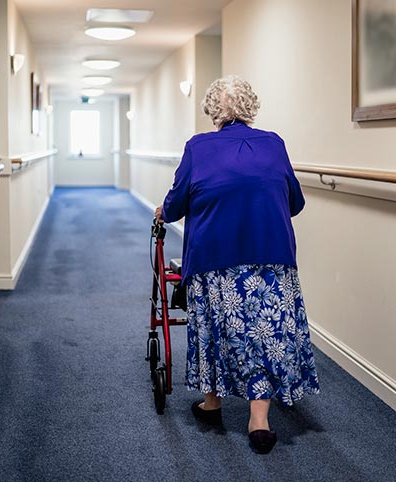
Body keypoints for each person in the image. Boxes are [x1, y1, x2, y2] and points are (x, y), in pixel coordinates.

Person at [155, 75, 319, 454]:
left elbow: (177, 204)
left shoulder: (198, 147)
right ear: (250, 107)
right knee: (265, 332)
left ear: (214, 111)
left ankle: (212, 403)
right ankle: (259, 420)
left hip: (215, 258)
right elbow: (295, 202)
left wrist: (166, 210)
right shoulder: (274, 144)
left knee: (217, 325)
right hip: (271, 255)